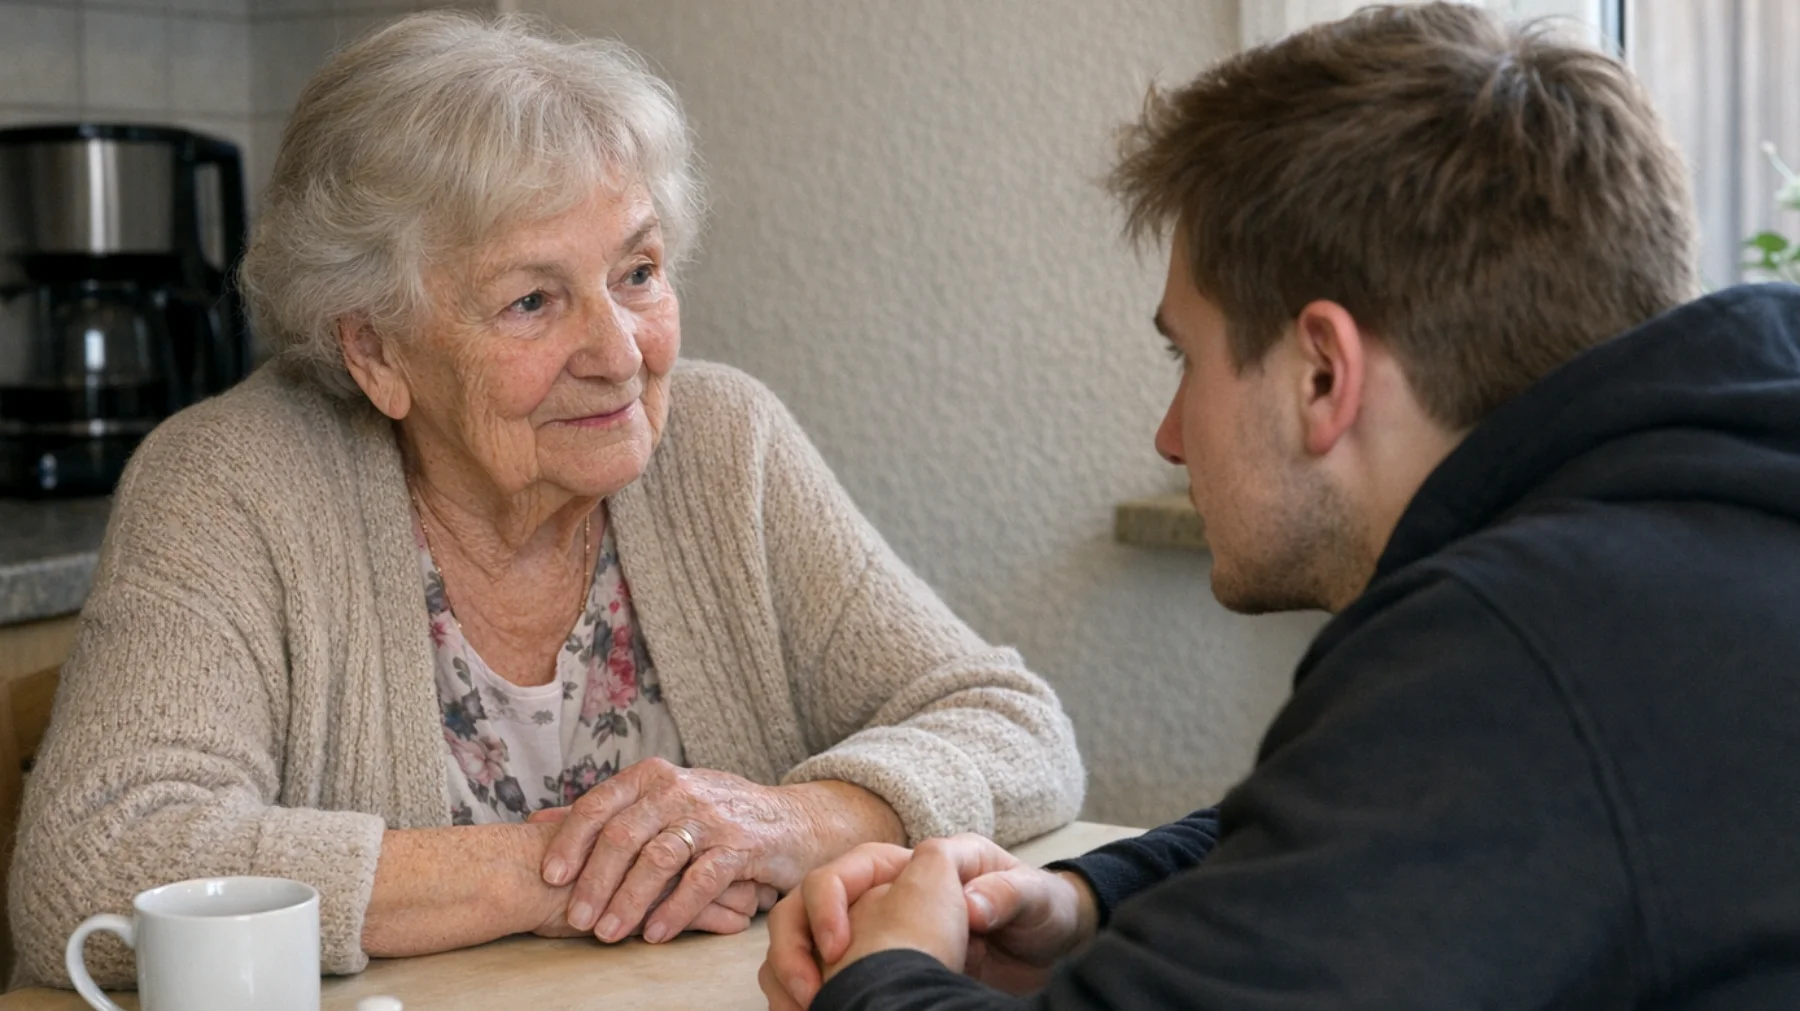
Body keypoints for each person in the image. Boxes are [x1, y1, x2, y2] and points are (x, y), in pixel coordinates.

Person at [8, 12, 1085, 989]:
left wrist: (788, 820)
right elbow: (96, 860)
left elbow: (1019, 730)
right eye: (533, 300)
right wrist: (570, 865)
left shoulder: (724, 444)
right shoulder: (231, 484)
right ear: (375, 349)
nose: (618, 356)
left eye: (639, 273)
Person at [762, 3, 1800, 1008]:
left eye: (1187, 356)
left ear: (1320, 374)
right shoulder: (1695, 530)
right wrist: (1090, 903)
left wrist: (882, 978)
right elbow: (1369, 823)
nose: (1170, 436)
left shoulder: (1522, 649)